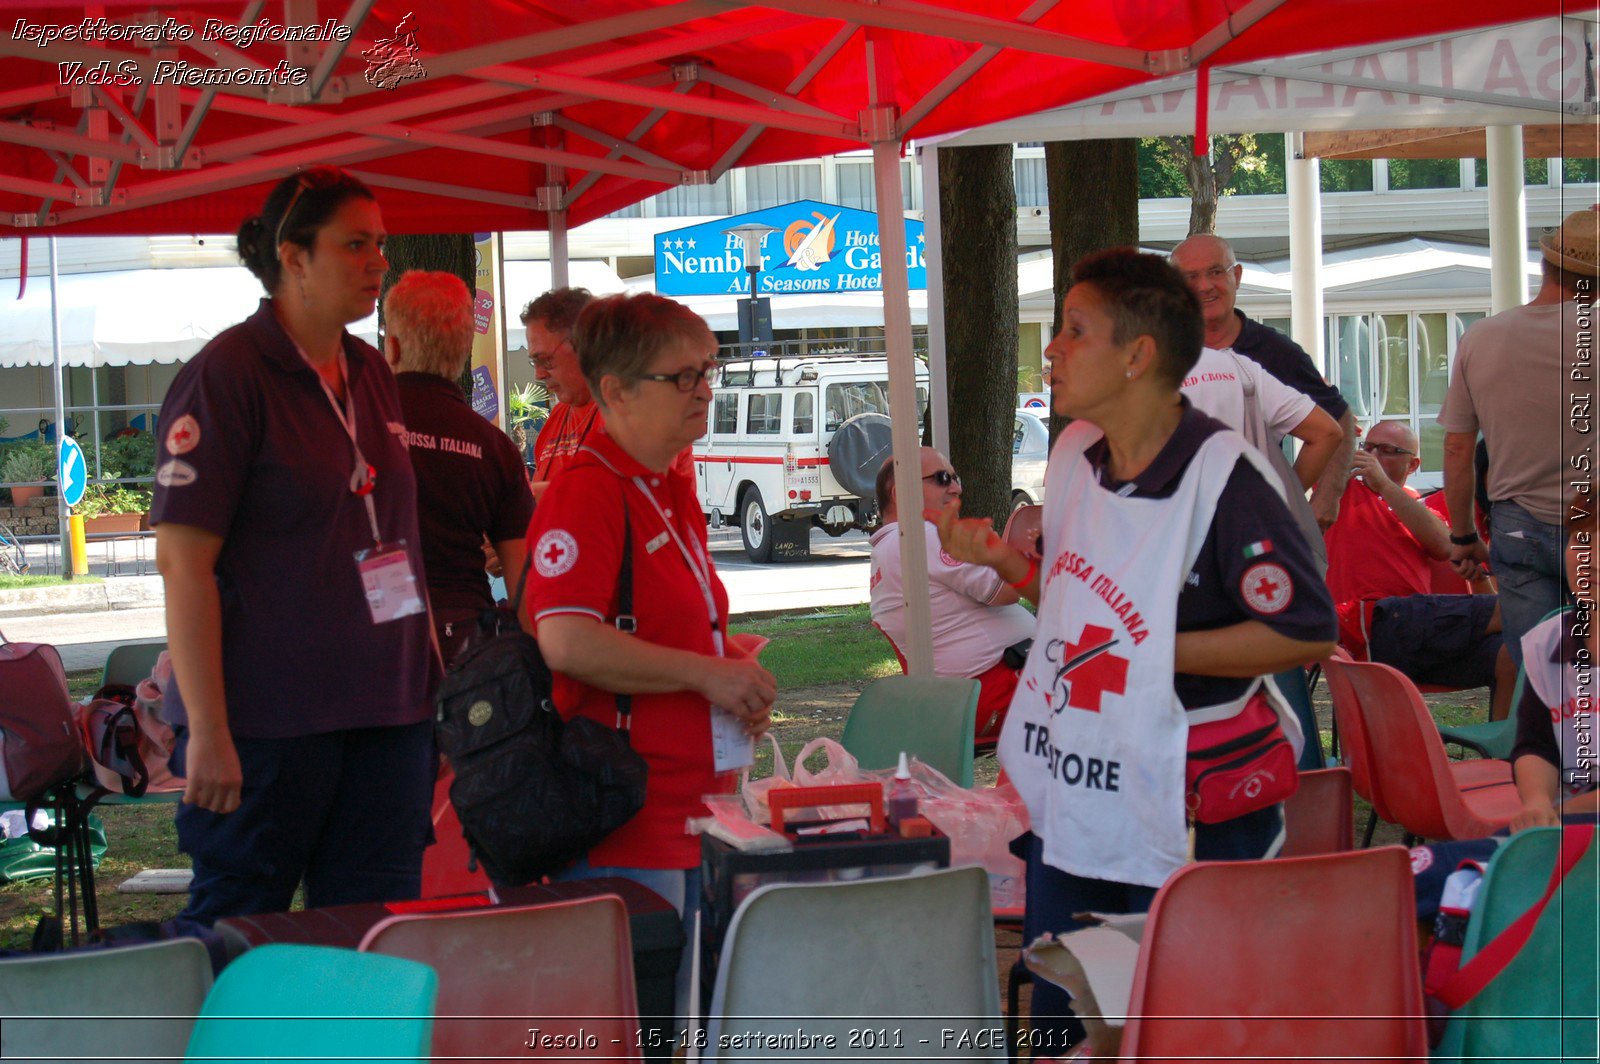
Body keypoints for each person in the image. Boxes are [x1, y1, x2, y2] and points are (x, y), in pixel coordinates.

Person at [934, 248, 1335, 1048]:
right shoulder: (1076, 455)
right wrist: (1007, 565)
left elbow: (1303, 631)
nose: (1051, 350)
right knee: (1070, 1017)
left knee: (1175, 1026)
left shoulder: (1227, 476)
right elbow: (1082, 609)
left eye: (1075, 331)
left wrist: (1154, 650)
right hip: (1076, 793)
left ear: (1138, 355)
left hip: (1187, 805)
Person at [150, 167, 436, 925]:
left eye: (382, 244)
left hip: (387, 713)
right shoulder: (227, 374)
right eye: (355, 245)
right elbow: (184, 566)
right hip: (269, 724)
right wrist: (208, 730)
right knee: (241, 934)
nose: (379, 262)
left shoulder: (371, 370)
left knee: (371, 934)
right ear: (294, 256)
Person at [523, 291, 776, 1015]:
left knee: (689, 1020)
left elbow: (673, 623)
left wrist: (736, 671)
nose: (704, 391)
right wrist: (707, 673)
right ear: (616, 391)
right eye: (683, 377)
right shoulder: (589, 492)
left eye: (709, 370)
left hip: (692, 816)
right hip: (627, 826)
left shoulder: (666, 483)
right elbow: (565, 639)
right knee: (642, 1029)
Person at [1440, 207, 1599, 666]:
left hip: (1518, 524)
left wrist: (1464, 533)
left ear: (1545, 264)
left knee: (1537, 667)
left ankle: (1538, 739)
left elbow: (1457, 448)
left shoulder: (1481, 337)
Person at [383, 270, 534, 664]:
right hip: (467, 648)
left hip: (376, 638)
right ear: (465, 349)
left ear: (393, 347)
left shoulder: (354, 428)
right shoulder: (495, 447)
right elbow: (523, 587)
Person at [1325, 419, 1514, 716]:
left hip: (1416, 634)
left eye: (1387, 450)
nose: (1372, 458)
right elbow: (1322, 445)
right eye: (1368, 448)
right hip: (1372, 619)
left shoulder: (1415, 504)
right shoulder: (1343, 492)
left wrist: (1384, 485)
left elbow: (1443, 546)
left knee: (1512, 653)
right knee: (1524, 611)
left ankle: (1506, 752)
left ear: (1413, 465)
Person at [1170, 233, 1358, 529]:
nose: (1204, 286)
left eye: (1216, 272)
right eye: (1190, 277)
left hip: (1249, 526)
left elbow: (1338, 421)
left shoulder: (1274, 352)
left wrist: (1312, 494)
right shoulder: (1157, 352)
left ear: (1238, 276)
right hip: (1177, 525)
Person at [868, 447, 1035, 741]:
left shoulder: (888, 550)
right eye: (942, 478)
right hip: (1000, 692)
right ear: (901, 493)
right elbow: (1009, 590)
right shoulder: (920, 536)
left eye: (956, 478)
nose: (956, 487)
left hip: (969, 700)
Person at [1510, 487, 1598, 831]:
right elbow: (1536, 745)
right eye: (1580, 540)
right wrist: (1537, 801)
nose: (1589, 556)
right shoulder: (1550, 642)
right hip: (1566, 824)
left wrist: (1563, 815)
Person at [521, 286, 597, 497]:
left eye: (545, 360)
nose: (539, 374)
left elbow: (631, 499)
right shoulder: (558, 416)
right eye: (534, 362)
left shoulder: (634, 412)